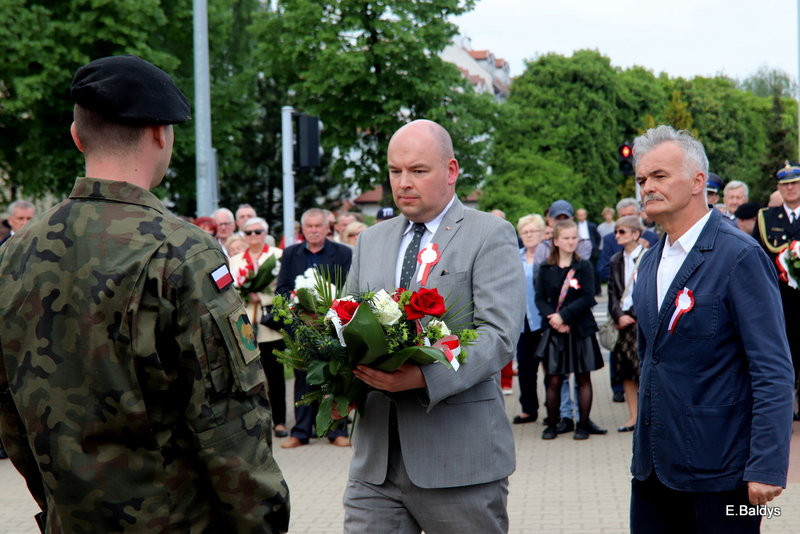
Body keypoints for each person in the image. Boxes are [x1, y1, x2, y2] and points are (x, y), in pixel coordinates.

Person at [0, 55, 289, 532]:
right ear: (160, 133)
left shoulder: (14, 255)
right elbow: (230, 426)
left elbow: (11, 414)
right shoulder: (183, 252)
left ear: (77, 137)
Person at [338, 119, 524, 533]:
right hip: (376, 466)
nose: (403, 182)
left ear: (451, 170)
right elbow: (346, 321)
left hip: (459, 463)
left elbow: (498, 337)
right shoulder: (372, 239)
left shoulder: (489, 234)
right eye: (395, 171)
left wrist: (423, 375)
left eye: (418, 171)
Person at [630, 125, 794, 533]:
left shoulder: (739, 256)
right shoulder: (650, 260)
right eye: (641, 179)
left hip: (723, 473)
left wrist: (768, 465)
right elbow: (653, 357)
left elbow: (772, 368)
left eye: (660, 176)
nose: (647, 186)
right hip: (653, 470)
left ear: (698, 181)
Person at [276, 207, 352, 448]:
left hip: (333, 325)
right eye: (309, 226)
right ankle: (300, 432)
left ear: (327, 227)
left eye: (318, 226)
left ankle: (336, 431)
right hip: (303, 327)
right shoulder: (290, 254)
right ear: (303, 230)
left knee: (335, 375)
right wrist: (297, 303)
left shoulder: (342, 253)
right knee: (302, 376)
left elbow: (350, 287)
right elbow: (281, 289)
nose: (314, 230)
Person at [536, 220, 605, 441]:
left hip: (580, 328)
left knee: (583, 378)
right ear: (555, 241)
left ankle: (583, 424)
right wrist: (554, 319)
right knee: (554, 379)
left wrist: (564, 316)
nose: (571, 242)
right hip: (555, 330)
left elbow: (588, 297)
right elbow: (539, 298)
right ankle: (552, 424)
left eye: (574, 237)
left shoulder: (584, 266)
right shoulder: (545, 268)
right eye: (566, 238)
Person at [229, 217, 287, 438]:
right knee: (249, 377)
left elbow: (283, 289)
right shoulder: (235, 261)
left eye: (258, 231)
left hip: (269, 324)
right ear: (243, 235)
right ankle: (252, 422)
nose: (253, 236)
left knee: (275, 375)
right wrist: (244, 294)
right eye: (249, 232)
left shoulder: (277, 256)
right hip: (244, 326)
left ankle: (279, 421)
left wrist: (260, 296)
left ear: (265, 232)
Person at [752, 161, 800, 421]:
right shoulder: (766, 218)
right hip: (780, 301)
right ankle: (785, 410)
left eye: (794, 182)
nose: (790, 188)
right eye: (785, 184)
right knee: (785, 354)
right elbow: (758, 258)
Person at [607, 216, 645, 432]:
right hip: (623, 323)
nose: (617, 236)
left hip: (641, 322)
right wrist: (619, 315)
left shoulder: (649, 256)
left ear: (635, 234)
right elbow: (612, 292)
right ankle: (633, 417)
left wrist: (634, 314)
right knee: (626, 372)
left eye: (622, 231)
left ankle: (648, 418)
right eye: (616, 232)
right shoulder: (615, 260)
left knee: (643, 371)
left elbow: (651, 290)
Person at [513, 214, 545, 424]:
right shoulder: (515, 257)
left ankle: (557, 410)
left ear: (542, 234)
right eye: (525, 232)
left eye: (533, 231)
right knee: (525, 367)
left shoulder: (550, 256)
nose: (529, 235)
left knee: (552, 369)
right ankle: (528, 409)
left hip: (545, 319)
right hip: (523, 320)